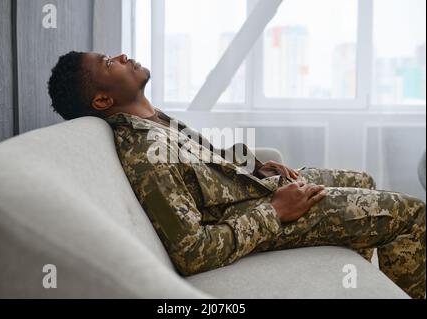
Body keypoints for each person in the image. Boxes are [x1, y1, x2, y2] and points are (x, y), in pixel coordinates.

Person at [47, 51, 426, 298]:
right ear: (102, 100)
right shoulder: (145, 153)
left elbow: (203, 165)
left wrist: (255, 166)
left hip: (256, 191)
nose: (122, 56)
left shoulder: (153, 119)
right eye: (109, 63)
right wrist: (276, 211)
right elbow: (192, 252)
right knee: (413, 215)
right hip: (261, 215)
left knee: (363, 180)